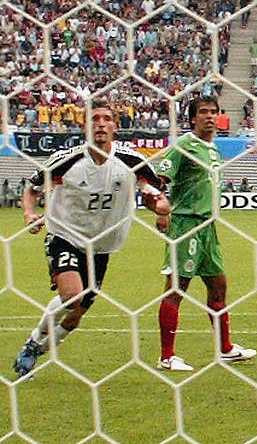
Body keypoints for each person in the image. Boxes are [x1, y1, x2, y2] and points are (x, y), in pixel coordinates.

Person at [11, 101, 166, 380]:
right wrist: (29, 213)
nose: (101, 124)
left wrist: (160, 208)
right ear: (86, 127)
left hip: (102, 245)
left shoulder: (131, 161)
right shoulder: (67, 160)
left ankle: (35, 346)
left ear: (115, 126)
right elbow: (32, 189)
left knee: (75, 315)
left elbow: (152, 192)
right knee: (72, 296)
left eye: (107, 119)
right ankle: (32, 348)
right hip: (65, 235)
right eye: (95, 119)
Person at [156, 94, 256, 372]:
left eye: (213, 112)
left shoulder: (213, 150)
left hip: (208, 227)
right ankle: (167, 356)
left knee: (218, 286)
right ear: (192, 118)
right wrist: (162, 210)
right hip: (186, 225)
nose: (210, 116)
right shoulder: (183, 146)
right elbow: (158, 180)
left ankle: (225, 349)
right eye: (203, 112)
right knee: (176, 289)